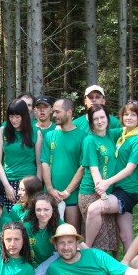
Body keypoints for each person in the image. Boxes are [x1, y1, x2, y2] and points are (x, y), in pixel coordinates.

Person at [84, 100, 138, 257]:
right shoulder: (121, 135)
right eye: (126, 114)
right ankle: (129, 265)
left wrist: (106, 183)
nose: (129, 117)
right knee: (125, 236)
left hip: (126, 190)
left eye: (133, 115)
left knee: (94, 209)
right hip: (118, 189)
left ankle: (86, 248)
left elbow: (130, 168)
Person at [77, 104, 118, 254]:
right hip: (91, 193)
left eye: (102, 117)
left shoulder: (111, 135)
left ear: (108, 118)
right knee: (98, 240)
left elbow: (133, 130)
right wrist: (104, 197)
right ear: (90, 121)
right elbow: (94, 169)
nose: (100, 121)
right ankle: (89, 265)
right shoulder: (90, 140)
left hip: (106, 192)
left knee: (107, 238)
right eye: (96, 119)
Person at [40, 98, 85, 231]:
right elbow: (44, 163)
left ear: (69, 112)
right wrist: (50, 189)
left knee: (72, 232)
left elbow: (83, 167)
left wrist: (67, 191)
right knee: (51, 232)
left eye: (57, 112)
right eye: (53, 112)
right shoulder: (50, 135)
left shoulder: (83, 136)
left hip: (72, 195)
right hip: (51, 195)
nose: (54, 115)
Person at [0, 99, 42, 211]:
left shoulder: (36, 132)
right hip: (9, 181)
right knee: (12, 215)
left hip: (30, 182)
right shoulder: (2, 131)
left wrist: (38, 185)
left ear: (24, 116)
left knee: (30, 215)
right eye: (11, 116)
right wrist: (6, 185)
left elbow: (39, 163)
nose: (13, 120)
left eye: (17, 117)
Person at [23, 192, 66, 275]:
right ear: (34, 210)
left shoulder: (57, 223)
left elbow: (74, 240)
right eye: (38, 210)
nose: (42, 214)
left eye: (46, 209)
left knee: (70, 250)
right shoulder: (27, 227)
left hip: (52, 261)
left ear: (53, 209)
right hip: (34, 269)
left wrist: (91, 253)